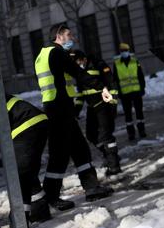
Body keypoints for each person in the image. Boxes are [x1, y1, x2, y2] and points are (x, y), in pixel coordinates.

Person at [34, 24, 113, 211]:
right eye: (69, 34)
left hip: (58, 107)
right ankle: (51, 196)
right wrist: (101, 86)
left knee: (80, 149)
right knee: (59, 155)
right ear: (59, 36)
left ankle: (92, 188)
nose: (72, 38)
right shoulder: (57, 52)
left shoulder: (42, 55)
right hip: (58, 108)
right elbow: (78, 73)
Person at [0, 91, 51, 223]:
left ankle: (19, 219)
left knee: (20, 175)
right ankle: (40, 210)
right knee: (27, 174)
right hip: (31, 124)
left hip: (26, 126)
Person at [72, 50, 122, 176]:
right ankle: (108, 154)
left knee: (106, 135)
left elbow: (112, 83)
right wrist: (76, 109)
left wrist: (113, 104)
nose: (78, 64)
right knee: (91, 134)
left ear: (83, 59)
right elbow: (80, 93)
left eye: (78, 61)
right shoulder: (78, 70)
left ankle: (114, 166)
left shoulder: (98, 64)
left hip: (104, 105)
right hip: (92, 107)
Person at [113, 43, 146, 140]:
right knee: (128, 114)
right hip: (125, 93)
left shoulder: (135, 61)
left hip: (136, 92)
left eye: (125, 50)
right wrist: (118, 92)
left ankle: (142, 130)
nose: (124, 52)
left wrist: (142, 88)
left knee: (139, 112)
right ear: (120, 52)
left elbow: (140, 76)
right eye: (122, 51)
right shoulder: (117, 63)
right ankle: (131, 133)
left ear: (128, 51)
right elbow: (116, 79)